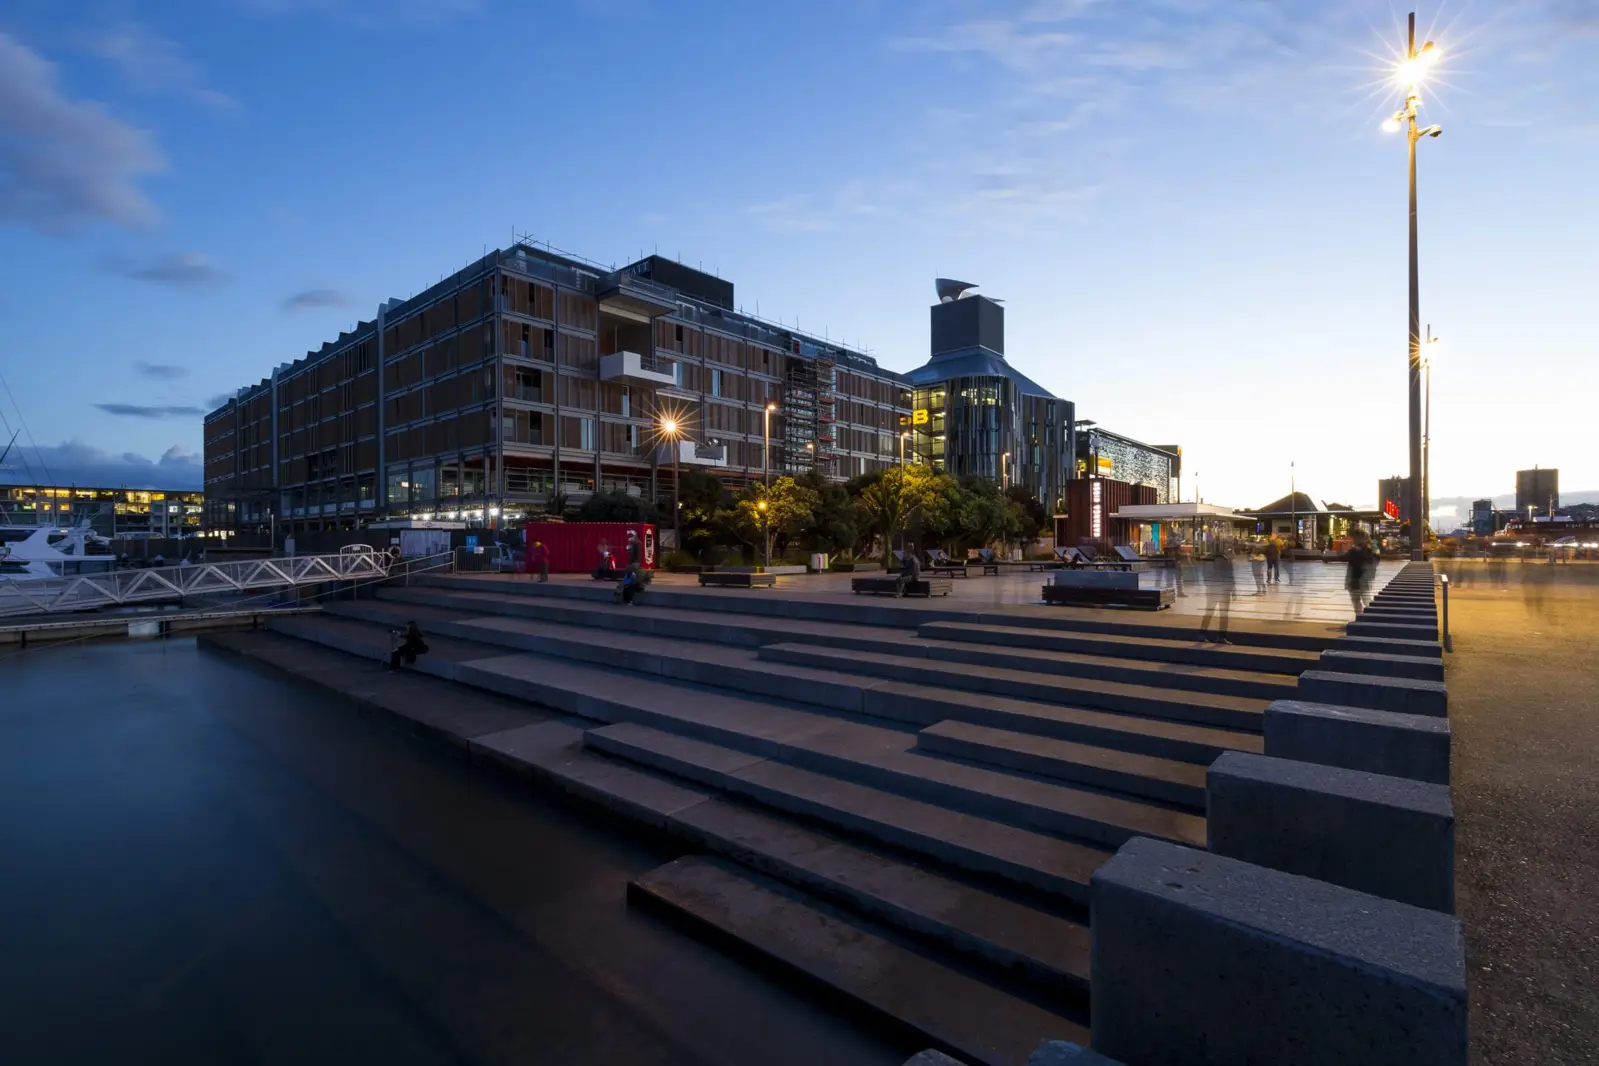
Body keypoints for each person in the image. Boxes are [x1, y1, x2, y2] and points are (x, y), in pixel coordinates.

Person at [1199, 547, 1235, 644]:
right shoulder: (1226, 559)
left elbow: (1205, 576)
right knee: (1223, 614)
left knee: (1209, 612)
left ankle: (1202, 634)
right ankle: (1221, 637)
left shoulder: (1209, 560)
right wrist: (1232, 590)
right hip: (1223, 591)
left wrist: (1209, 585)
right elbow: (1230, 576)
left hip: (1212, 590)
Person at [1345, 529, 1378, 615]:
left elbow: (1345, 557)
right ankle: (1361, 617)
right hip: (1356, 579)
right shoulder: (1360, 550)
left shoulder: (1364, 551)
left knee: (1364, 600)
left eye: (1356, 538)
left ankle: (1370, 617)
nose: (1354, 540)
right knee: (1358, 600)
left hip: (1360, 579)